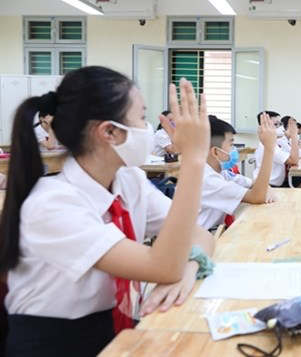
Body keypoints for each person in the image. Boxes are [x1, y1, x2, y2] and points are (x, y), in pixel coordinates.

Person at [0, 66, 214, 356]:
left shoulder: (129, 180)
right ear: (109, 132)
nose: (149, 127)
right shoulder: (52, 204)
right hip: (55, 343)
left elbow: (200, 235)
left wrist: (189, 268)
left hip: (117, 327)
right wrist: (194, 160)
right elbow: (162, 266)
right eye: (141, 117)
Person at [196, 114, 277, 231]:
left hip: (208, 233)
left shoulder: (220, 171)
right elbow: (257, 196)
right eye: (231, 144)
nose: (234, 150)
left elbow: (254, 183)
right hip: (193, 243)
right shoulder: (206, 179)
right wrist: (269, 148)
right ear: (215, 152)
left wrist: (266, 189)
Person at [253, 111, 300, 187]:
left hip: (275, 183)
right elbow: (294, 160)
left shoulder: (277, 142)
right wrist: (294, 136)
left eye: (280, 124)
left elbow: (296, 157)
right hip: (267, 185)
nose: (280, 128)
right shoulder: (267, 144)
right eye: (275, 125)